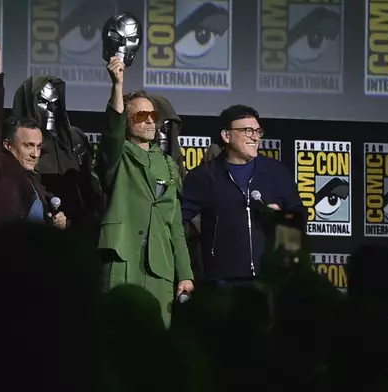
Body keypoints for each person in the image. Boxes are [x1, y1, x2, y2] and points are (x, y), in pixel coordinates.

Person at [97, 56, 194, 327]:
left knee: (155, 343)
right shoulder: (118, 154)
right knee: (114, 337)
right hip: (122, 259)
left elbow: (175, 225)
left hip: (160, 268)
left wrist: (185, 273)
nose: (150, 122)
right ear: (127, 121)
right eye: (141, 116)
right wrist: (117, 85)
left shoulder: (167, 164)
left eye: (153, 116)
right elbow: (112, 132)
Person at [181, 104, 304, 284]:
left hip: (269, 278)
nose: (255, 137)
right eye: (247, 131)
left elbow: (299, 217)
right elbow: (176, 223)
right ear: (226, 135)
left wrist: (281, 217)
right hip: (220, 280)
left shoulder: (277, 173)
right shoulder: (203, 177)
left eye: (257, 131)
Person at [0, 34, 66, 238]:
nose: (35, 153)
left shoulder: (34, 184)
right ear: (7, 145)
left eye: (38, 147)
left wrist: (58, 222)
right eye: (28, 145)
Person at [12, 74, 103, 240]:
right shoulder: (14, 140)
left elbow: (90, 192)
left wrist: (74, 224)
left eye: (55, 103)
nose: (50, 109)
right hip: (29, 236)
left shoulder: (74, 140)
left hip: (76, 237)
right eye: (44, 102)